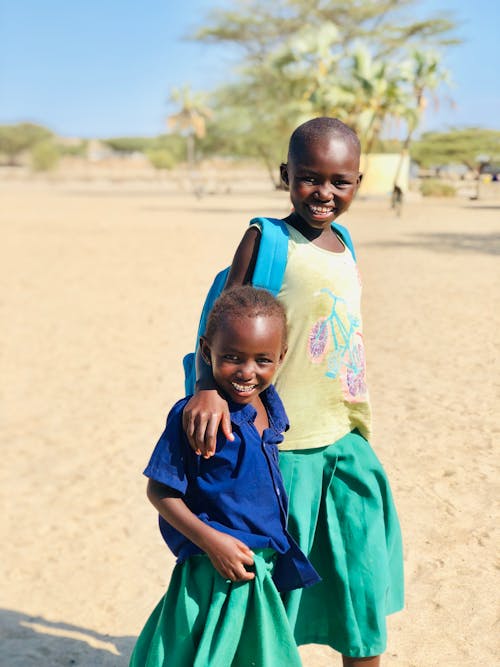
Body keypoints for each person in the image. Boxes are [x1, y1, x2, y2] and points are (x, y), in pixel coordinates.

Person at [182, 117, 404, 666]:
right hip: (281, 450)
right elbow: (221, 319)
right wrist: (207, 388)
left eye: (339, 181)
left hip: (345, 439)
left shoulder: (345, 242)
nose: (324, 193)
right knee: (275, 592)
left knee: (361, 583)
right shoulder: (267, 238)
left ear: (358, 180)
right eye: (309, 177)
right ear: (286, 175)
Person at [130, 286, 320, 667]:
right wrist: (213, 542)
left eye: (263, 360)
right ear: (207, 351)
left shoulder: (269, 404)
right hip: (214, 569)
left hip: (258, 567)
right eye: (232, 358)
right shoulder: (196, 417)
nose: (247, 372)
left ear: (281, 357)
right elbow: (160, 490)